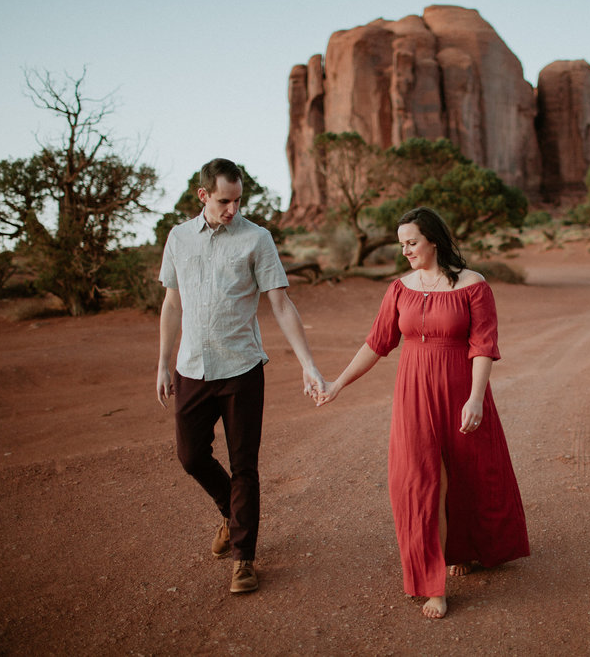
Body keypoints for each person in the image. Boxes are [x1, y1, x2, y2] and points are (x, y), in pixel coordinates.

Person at [316, 207, 529, 618]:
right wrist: (337, 383)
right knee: (419, 482)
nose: (406, 251)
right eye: (401, 245)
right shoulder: (399, 288)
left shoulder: (473, 285)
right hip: (413, 395)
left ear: (433, 239)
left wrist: (476, 397)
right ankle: (433, 584)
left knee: (468, 473)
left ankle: (463, 549)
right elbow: (377, 343)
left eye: (412, 242)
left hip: (459, 390)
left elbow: (483, 345)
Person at [156, 158, 324, 594]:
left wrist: (308, 364)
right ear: (203, 196)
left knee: (244, 465)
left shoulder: (256, 239)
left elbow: (281, 304)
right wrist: (162, 362)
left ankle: (243, 560)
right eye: (224, 201)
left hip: (242, 368)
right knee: (190, 455)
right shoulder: (178, 239)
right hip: (192, 367)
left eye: (238, 200)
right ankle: (230, 513)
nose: (233, 209)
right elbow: (172, 304)